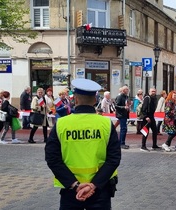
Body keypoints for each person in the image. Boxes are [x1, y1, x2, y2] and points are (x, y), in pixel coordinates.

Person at [45, 78, 121, 209]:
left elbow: (52, 159)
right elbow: (114, 159)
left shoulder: (61, 124)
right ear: (95, 100)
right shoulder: (106, 124)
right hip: (100, 189)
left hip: (70, 189)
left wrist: (74, 184)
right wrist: (93, 185)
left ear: (75, 99)